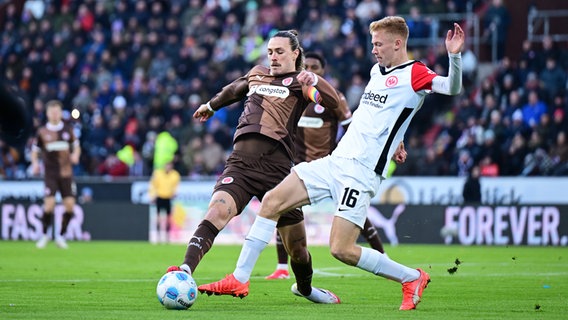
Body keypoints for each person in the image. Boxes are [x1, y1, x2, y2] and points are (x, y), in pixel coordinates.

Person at [199, 16, 464, 310]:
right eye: (373, 43)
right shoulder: (378, 71)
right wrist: (397, 139)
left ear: (397, 43)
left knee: (342, 249)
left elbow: (451, 88)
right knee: (272, 200)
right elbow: (379, 115)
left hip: (361, 172)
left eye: (378, 44)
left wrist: (454, 56)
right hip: (336, 161)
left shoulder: (415, 73)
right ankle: (239, 278)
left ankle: (411, 277)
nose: (374, 49)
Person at [167, 30, 345, 303]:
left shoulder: (300, 82)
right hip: (240, 164)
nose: (273, 57)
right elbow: (235, 89)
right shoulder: (257, 73)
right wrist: (210, 105)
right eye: (270, 52)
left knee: (297, 249)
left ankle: (307, 289)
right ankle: (185, 271)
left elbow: (331, 104)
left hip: (278, 172)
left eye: (280, 52)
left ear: (295, 54)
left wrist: (317, 82)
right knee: (216, 211)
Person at [265, 51, 388, 280]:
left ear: (323, 71)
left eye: (315, 67)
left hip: (330, 166)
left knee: (353, 213)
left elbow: (351, 127)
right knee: (282, 209)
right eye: (307, 65)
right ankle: (282, 268)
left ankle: (383, 255)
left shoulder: (333, 97)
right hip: (299, 165)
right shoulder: (294, 95)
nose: (310, 70)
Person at [32, 100, 81, 249]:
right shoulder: (42, 132)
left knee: (70, 207)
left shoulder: (68, 130)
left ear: (60, 112)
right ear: (47, 114)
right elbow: (35, 151)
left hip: (66, 174)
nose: (54, 114)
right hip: (50, 174)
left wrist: (75, 156)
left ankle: (61, 236)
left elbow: (77, 147)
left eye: (57, 111)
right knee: (49, 205)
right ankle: (45, 235)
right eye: (52, 111)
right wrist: (35, 163)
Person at [148, 160, 181, 243]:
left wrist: (174, 193)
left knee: (168, 218)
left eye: (169, 165)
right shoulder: (158, 174)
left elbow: (176, 186)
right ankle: (158, 236)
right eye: (167, 165)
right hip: (159, 197)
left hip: (168, 198)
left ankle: (167, 237)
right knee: (158, 217)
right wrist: (153, 195)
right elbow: (153, 185)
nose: (168, 167)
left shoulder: (175, 175)